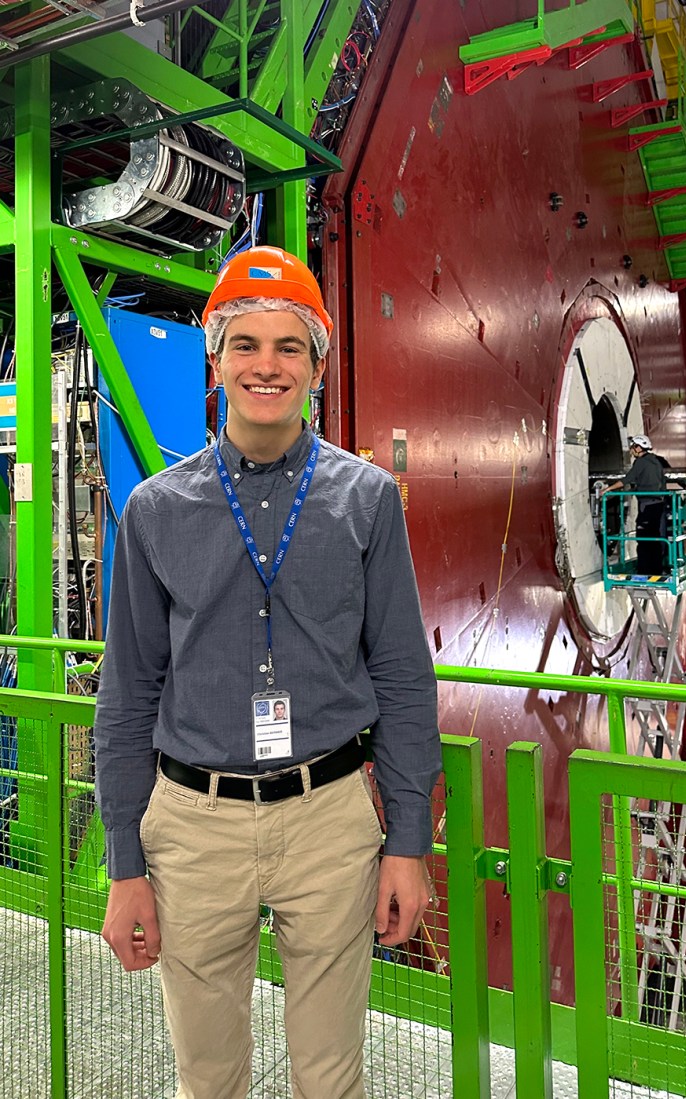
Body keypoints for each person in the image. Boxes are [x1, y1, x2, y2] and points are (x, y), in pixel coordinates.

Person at [94, 244, 442, 1099]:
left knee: (331, 1078)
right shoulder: (154, 511)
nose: (266, 365)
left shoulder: (365, 500)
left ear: (318, 366)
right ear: (215, 359)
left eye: (290, 346)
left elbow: (402, 675)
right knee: (207, 1078)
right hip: (192, 826)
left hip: (329, 822)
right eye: (245, 344)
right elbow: (128, 690)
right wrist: (123, 863)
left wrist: (406, 842)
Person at [601, 435, 677, 574]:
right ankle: (655, 569)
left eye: (633, 447)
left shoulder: (641, 462)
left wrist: (608, 489)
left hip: (648, 506)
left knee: (644, 537)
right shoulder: (655, 461)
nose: (631, 450)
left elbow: (627, 479)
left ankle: (645, 570)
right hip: (658, 504)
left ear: (639, 447)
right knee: (654, 538)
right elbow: (661, 483)